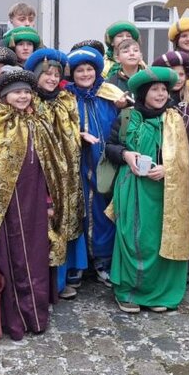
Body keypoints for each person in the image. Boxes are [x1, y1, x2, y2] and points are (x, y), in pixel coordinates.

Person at [0, 67, 67, 340]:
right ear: (4, 95)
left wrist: (50, 199)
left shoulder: (40, 123)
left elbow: (53, 165)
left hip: (36, 203)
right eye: (16, 92)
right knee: (11, 259)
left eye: (27, 91)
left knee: (36, 258)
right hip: (8, 207)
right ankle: (12, 317)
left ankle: (35, 315)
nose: (23, 97)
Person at [105, 67, 189, 313]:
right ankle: (129, 292)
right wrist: (126, 154)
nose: (160, 94)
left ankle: (161, 294)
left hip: (165, 190)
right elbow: (110, 147)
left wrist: (168, 169)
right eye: (154, 89)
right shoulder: (127, 116)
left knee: (160, 241)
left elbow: (184, 158)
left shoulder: (174, 119)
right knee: (134, 239)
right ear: (143, 93)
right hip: (133, 187)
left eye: (164, 90)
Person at [26, 48, 83, 299]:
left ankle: (61, 279)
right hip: (42, 172)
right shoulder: (30, 101)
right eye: (46, 74)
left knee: (65, 221)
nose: (51, 78)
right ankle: (44, 283)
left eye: (55, 74)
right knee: (45, 226)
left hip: (67, 171)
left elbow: (72, 131)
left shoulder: (66, 99)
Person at [65, 46, 124, 285]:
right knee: (78, 212)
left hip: (106, 164)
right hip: (76, 164)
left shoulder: (110, 92)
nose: (85, 74)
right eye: (80, 70)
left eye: (89, 69)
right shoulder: (65, 97)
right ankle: (76, 264)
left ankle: (103, 261)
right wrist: (78, 134)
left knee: (103, 211)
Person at [153, 51, 189, 272]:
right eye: (172, 74)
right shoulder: (157, 104)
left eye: (181, 74)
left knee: (186, 221)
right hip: (161, 175)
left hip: (188, 174)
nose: (177, 78)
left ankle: (184, 267)